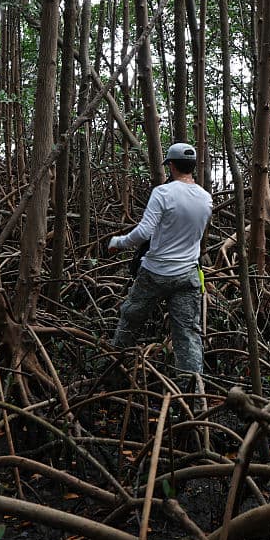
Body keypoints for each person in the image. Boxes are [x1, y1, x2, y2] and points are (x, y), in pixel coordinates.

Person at [108, 142, 212, 375]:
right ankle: (192, 394)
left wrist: (118, 243)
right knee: (187, 335)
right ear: (192, 166)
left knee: (130, 318)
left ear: (171, 165)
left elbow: (144, 233)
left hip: (155, 274)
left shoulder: (163, 193)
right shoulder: (205, 198)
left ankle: (114, 372)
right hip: (188, 276)